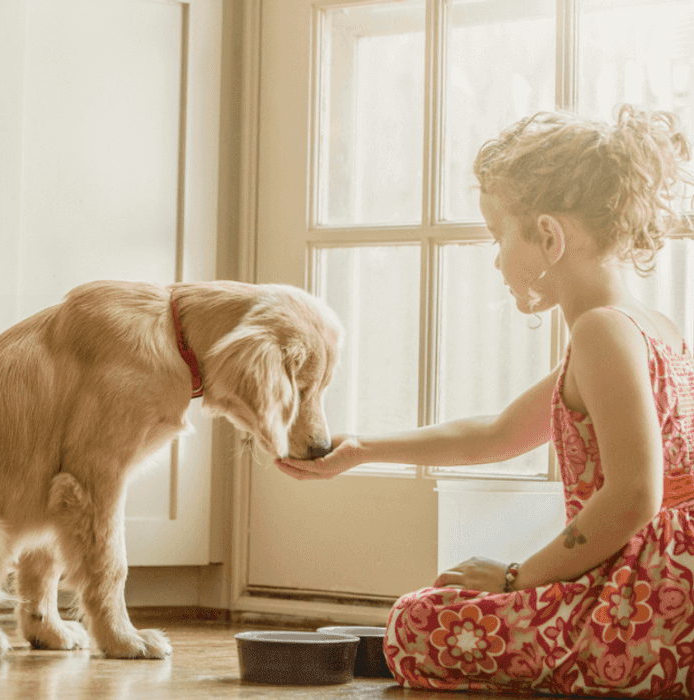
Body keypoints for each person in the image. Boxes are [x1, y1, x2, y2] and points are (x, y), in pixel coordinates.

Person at [277, 105, 694, 697]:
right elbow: (497, 434)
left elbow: (633, 493)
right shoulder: (649, 326)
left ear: (548, 236)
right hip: (663, 589)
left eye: (499, 236)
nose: (496, 258)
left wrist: (515, 578)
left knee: (417, 623)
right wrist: (363, 448)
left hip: (643, 608)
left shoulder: (602, 333)